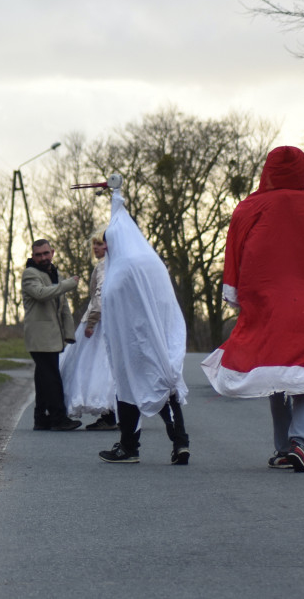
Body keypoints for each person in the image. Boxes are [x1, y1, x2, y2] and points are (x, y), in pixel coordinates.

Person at [202, 146, 304, 473]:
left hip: (265, 302)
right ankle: (298, 443)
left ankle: (283, 447)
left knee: (276, 371)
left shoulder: (248, 207)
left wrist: (235, 294)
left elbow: (234, 253)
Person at [92, 174, 190, 464]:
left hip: (133, 342)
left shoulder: (120, 270)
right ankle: (180, 443)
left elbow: (112, 306)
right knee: (164, 384)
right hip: (161, 337)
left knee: (130, 386)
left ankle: (129, 446)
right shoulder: (152, 263)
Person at [22, 239, 82, 431]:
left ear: (52, 252)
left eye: (46, 253)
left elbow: (63, 307)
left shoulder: (54, 274)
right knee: (52, 378)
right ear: (33, 256)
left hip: (52, 336)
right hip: (40, 336)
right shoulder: (30, 274)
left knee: (43, 378)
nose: (43, 258)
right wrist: (66, 285)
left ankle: (41, 419)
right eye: (38, 255)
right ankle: (58, 419)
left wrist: (69, 333)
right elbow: (41, 294)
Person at [60, 230, 117, 430]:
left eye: (99, 244)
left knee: (95, 367)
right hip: (109, 323)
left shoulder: (105, 267)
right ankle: (113, 414)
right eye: (94, 245)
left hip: (100, 324)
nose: (95, 248)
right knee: (108, 368)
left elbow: (100, 297)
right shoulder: (114, 266)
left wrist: (91, 323)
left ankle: (109, 414)